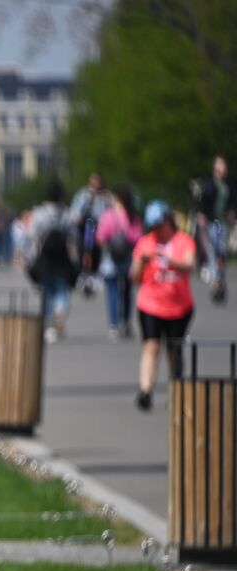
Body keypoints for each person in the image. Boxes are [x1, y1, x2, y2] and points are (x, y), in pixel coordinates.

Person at [131, 200, 196, 412]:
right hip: (150, 304)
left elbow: (189, 265)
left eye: (160, 225)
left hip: (179, 306)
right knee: (151, 346)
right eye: (153, 226)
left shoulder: (183, 241)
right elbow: (133, 276)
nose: (157, 230)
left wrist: (170, 262)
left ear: (169, 221)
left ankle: (177, 391)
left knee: (174, 350)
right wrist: (142, 262)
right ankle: (146, 390)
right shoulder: (145, 242)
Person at [26, 180, 79, 343]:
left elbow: (32, 234)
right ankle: (59, 315)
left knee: (47, 290)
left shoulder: (40, 213)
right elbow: (74, 236)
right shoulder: (67, 214)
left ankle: (49, 324)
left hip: (46, 256)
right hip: (62, 256)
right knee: (62, 289)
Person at [95, 184, 142, 340]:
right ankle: (126, 322)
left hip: (111, 258)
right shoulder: (133, 216)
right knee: (127, 292)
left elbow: (101, 237)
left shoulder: (109, 215)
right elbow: (138, 238)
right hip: (129, 257)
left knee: (113, 292)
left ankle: (114, 325)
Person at [193, 155, 231, 304]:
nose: (223, 169)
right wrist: (201, 215)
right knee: (211, 249)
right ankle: (215, 280)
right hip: (211, 221)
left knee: (221, 251)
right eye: (220, 166)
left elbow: (232, 203)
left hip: (222, 222)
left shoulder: (228, 185)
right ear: (215, 168)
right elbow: (202, 201)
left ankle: (219, 277)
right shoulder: (208, 184)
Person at [70, 171, 111, 285]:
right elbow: (75, 210)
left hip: (102, 225)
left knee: (99, 249)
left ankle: (96, 270)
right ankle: (84, 270)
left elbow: (110, 210)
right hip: (88, 224)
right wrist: (76, 217)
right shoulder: (84, 194)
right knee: (87, 248)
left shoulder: (106, 196)